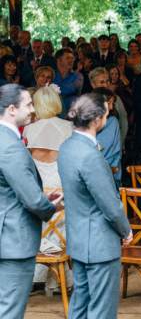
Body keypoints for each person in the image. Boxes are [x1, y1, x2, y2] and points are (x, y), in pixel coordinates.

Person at [58, 93, 132, 319]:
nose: (109, 116)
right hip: (99, 243)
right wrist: (125, 230)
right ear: (97, 118)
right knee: (102, 309)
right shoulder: (91, 155)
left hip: (78, 238)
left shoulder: (67, 147)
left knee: (80, 305)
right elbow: (110, 204)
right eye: (107, 113)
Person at [0, 84, 61, 318]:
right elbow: (34, 203)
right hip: (13, 240)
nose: (33, 109)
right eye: (28, 104)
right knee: (10, 310)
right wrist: (50, 205)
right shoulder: (10, 147)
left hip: (8, 234)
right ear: (12, 109)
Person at [23, 86, 73, 292]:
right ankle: (62, 279)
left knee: (42, 228)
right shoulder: (68, 127)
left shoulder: (29, 130)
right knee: (62, 229)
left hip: (40, 194)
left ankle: (41, 276)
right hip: (63, 194)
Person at [92, 88, 123, 188]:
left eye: (112, 104)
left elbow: (114, 151)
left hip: (109, 170)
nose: (111, 107)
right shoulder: (85, 120)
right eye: (109, 103)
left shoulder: (112, 121)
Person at [53, 48, 83, 114]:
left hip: (71, 114)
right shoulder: (51, 75)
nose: (71, 60)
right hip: (53, 112)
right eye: (68, 58)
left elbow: (69, 89)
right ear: (59, 60)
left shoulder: (78, 76)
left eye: (72, 58)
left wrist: (54, 90)